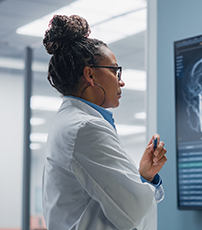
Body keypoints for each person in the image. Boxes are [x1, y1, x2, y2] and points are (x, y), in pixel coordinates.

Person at [42, 15, 167, 230]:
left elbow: (107, 202)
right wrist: (142, 186)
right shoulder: (85, 128)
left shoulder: (71, 121)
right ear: (90, 74)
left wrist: (144, 176)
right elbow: (133, 211)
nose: (121, 81)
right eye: (115, 70)